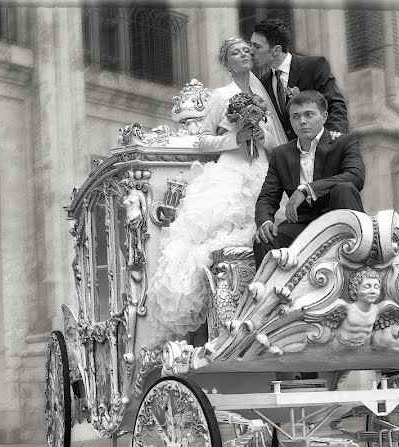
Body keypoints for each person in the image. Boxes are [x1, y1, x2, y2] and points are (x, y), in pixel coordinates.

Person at [148, 37, 286, 345]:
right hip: (230, 169)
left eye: (248, 51)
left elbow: (278, 146)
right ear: (226, 63)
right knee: (216, 231)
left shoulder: (263, 94)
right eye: (236, 53)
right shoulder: (221, 96)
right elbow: (204, 140)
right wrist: (236, 138)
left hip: (261, 168)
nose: (245, 55)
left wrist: (259, 133)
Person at [253, 89, 365, 268]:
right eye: (295, 117)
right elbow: (268, 196)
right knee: (264, 239)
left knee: (344, 187)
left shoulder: (344, 142)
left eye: (309, 114)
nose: (302, 121)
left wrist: (306, 189)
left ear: (324, 116)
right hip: (302, 224)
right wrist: (265, 221)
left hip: (339, 219)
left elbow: (356, 177)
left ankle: (360, 268)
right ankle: (267, 294)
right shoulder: (280, 154)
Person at [250, 18, 348, 142]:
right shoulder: (262, 84)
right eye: (251, 44)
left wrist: (335, 137)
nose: (251, 51)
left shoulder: (314, 66)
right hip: (289, 155)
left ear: (276, 50)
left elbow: (335, 104)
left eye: (257, 47)